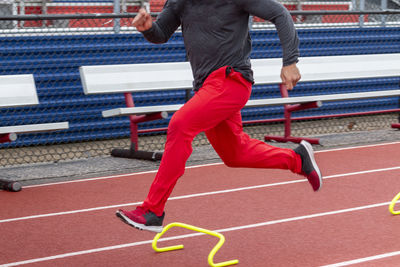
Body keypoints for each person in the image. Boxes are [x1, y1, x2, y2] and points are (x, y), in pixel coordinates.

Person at [116, 0, 323, 233]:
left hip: (232, 79)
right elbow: (161, 33)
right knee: (235, 153)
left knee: (180, 124)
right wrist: (148, 28)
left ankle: (152, 210)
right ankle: (297, 159)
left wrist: (290, 61)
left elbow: (280, 14)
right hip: (206, 87)